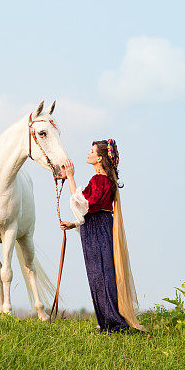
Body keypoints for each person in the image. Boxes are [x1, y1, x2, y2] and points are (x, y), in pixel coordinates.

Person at [60, 139, 146, 334]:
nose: (88, 154)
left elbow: (83, 204)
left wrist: (71, 177)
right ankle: (107, 322)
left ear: (99, 158)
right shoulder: (101, 179)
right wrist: (73, 224)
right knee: (99, 275)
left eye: (91, 151)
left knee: (102, 276)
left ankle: (115, 324)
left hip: (97, 230)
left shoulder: (101, 180)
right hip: (96, 227)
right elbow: (93, 210)